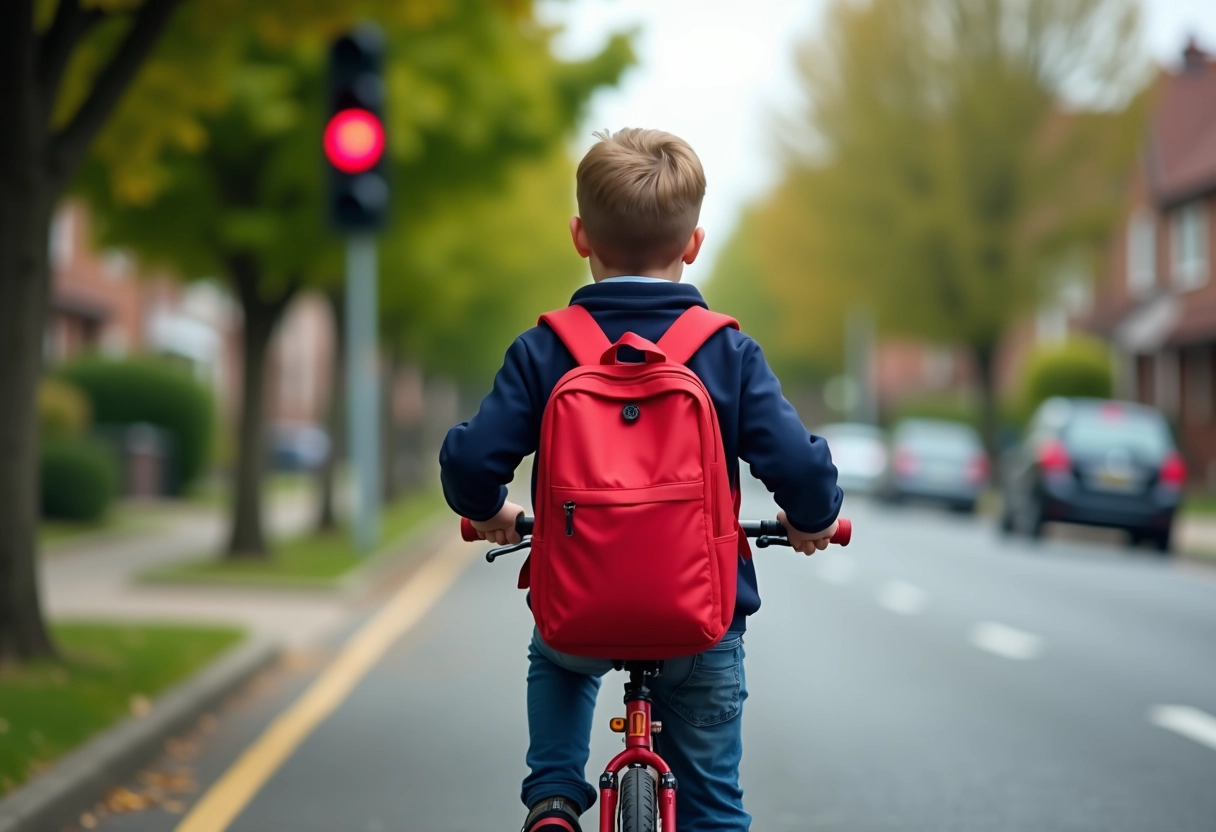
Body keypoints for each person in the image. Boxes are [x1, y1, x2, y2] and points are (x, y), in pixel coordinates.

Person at [439, 128, 842, 832]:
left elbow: (473, 463)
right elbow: (800, 466)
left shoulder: (546, 349)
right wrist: (810, 519)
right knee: (714, 808)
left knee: (558, 661)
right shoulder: (727, 351)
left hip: (580, 614)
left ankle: (556, 797)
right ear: (693, 244)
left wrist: (489, 510)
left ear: (578, 236)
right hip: (702, 625)